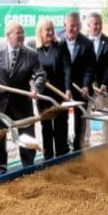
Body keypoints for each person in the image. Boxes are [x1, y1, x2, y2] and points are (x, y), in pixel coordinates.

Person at [0, 21, 46, 172]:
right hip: (1, 103)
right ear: (8, 35)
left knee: (27, 133)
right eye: (18, 33)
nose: (22, 36)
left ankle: (28, 165)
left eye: (23, 32)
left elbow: (40, 74)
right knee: (0, 136)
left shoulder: (31, 54)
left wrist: (36, 88)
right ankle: (0, 167)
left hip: (22, 102)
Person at [27, 19, 69, 159]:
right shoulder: (32, 46)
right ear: (40, 32)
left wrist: (67, 89)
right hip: (43, 93)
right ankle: (48, 156)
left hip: (59, 91)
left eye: (52, 29)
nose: (51, 32)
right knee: (46, 125)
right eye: (47, 30)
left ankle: (62, 153)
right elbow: (29, 71)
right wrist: (34, 87)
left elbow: (67, 68)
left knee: (61, 123)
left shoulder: (60, 45)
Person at [59, 12, 97, 150]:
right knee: (62, 119)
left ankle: (77, 148)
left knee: (80, 119)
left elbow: (90, 68)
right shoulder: (57, 40)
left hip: (81, 88)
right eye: (71, 26)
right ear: (65, 25)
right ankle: (62, 148)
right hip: (62, 87)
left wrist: (86, 85)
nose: (74, 29)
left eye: (77, 26)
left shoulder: (87, 44)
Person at [86, 12, 108, 143]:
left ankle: (107, 144)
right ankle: (85, 142)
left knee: (107, 118)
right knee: (85, 115)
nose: (98, 26)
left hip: (105, 87)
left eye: (100, 23)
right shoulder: (82, 42)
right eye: (95, 24)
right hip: (87, 87)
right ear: (88, 25)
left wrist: (104, 83)